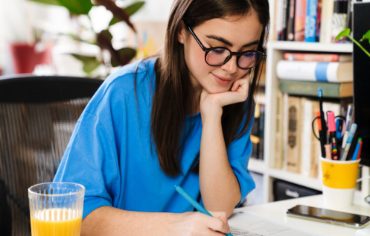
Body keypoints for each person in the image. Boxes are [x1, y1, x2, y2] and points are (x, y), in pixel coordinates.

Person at [54, 0, 270, 235]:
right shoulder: (124, 93)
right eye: (217, 49)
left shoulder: (232, 99)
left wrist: (212, 116)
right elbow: (68, 214)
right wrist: (174, 227)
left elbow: (220, 206)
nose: (232, 68)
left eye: (248, 53)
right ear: (180, 31)